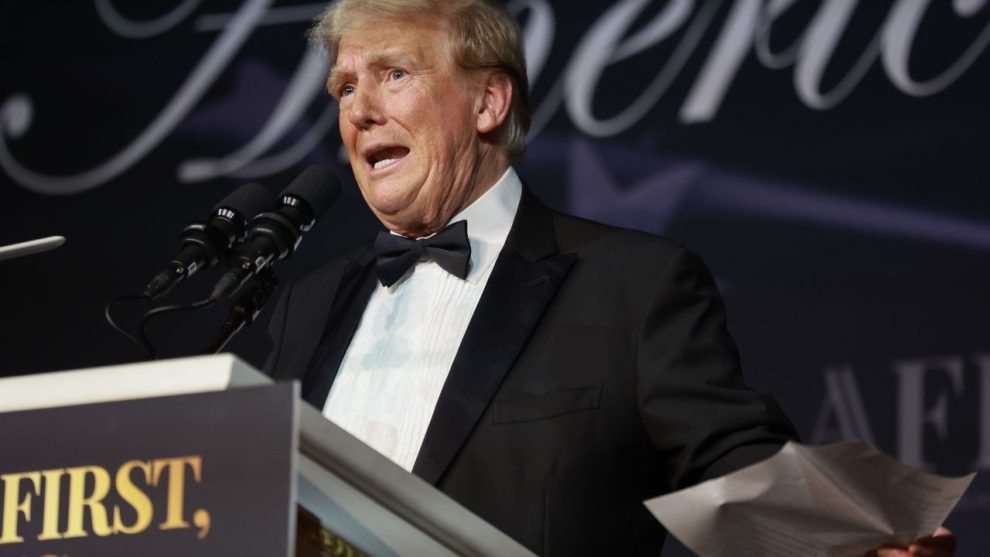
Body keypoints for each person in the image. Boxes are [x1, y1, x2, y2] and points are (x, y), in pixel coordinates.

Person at [264, 1, 956, 555]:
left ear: (488, 103)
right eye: (345, 87)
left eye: (394, 75)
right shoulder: (307, 302)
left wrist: (849, 543)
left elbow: (730, 462)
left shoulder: (629, 285)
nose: (357, 110)